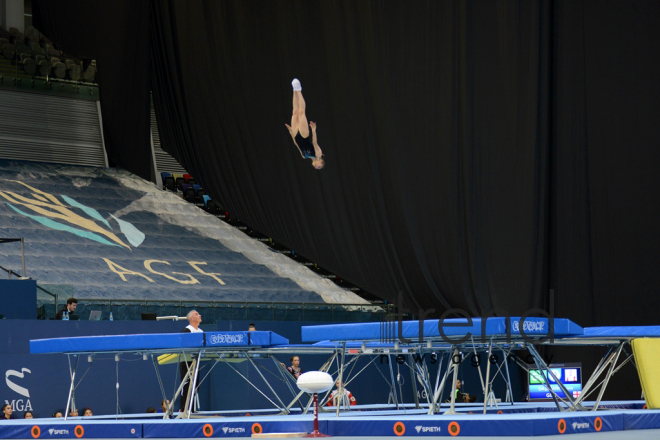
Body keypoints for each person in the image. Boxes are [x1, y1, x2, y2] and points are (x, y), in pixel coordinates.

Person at [285, 78, 325, 170]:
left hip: (296, 135)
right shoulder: (318, 154)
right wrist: (314, 130)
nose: (316, 167)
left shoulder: (304, 156)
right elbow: (314, 142)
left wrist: (291, 133)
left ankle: (294, 90)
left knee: (294, 112)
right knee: (301, 112)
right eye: (319, 167)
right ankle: (299, 90)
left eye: (316, 168)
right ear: (321, 161)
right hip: (304, 135)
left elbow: (296, 144)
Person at [180, 310, 203, 412]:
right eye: (197, 314)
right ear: (191, 319)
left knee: (195, 385)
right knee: (187, 385)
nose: (200, 315)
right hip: (186, 362)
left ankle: (191, 409)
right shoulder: (187, 330)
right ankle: (184, 408)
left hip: (196, 361)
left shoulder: (201, 332)